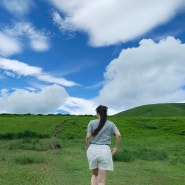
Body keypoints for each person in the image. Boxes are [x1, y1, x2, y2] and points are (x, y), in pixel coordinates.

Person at [85, 105, 121, 185]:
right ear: (105, 113)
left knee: (94, 175)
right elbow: (118, 135)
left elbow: (88, 137)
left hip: (92, 149)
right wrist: (116, 148)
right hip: (105, 150)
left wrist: (87, 148)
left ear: (97, 113)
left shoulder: (91, 122)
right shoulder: (111, 124)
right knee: (101, 181)